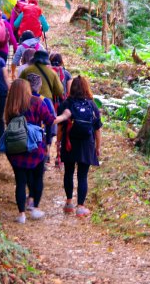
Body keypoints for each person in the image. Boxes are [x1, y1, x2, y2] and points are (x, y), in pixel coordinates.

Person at [3, 79, 56, 223]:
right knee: (38, 177)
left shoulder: (10, 103)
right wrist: (64, 116)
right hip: (35, 146)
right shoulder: (36, 102)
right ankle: (35, 208)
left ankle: (21, 214)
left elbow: (7, 122)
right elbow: (50, 120)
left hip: (15, 146)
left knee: (20, 181)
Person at [56, 76, 102, 217]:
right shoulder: (92, 105)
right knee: (82, 175)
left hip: (69, 142)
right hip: (86, 144)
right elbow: (97, 129)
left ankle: (69, 203)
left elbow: (60, 127)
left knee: (68, 172)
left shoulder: (66, 104)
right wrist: (97, 147)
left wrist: (58, 143)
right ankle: (81, 207)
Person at [24, 73, 56, 210]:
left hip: (23, 139)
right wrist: (48, 142)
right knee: (38, 171)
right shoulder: (45, 101)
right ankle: (33, 199)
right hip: (39, 140)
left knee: (27, 169)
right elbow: (50, 123)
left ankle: (29, 197)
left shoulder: (21, 99)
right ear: (40, 86)